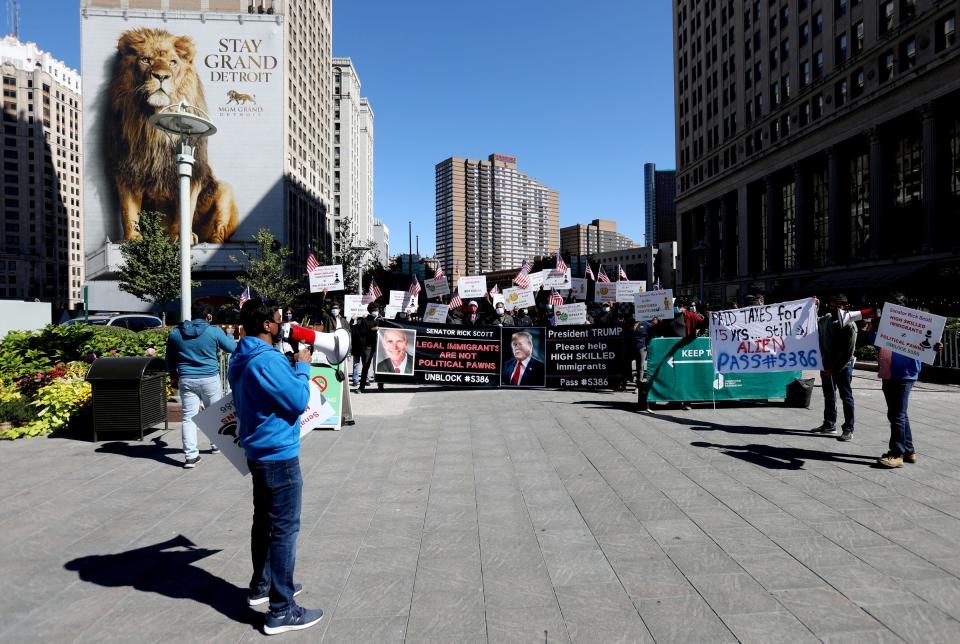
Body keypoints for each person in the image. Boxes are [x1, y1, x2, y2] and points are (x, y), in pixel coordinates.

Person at [227, 300, 323, 635]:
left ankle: (261, 586)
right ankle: (282, 610)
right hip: (277, 454)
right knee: (284, 529)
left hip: (258, 451)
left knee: (264, 522)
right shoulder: (266, 360)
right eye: (280, 320)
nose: (283, 324)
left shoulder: (241, 355)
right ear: (267, 325)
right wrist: (302, 367)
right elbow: (298, 400)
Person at [866, 293, 942, 468]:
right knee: (898, 414)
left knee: (897, 415)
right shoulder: (883, 324)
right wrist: (871, 331)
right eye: (887, 305)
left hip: (905, 374)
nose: (889, 309)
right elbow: (877, 344)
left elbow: (929, 345)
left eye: (893, 305)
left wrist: (937, 347)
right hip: (888, 371)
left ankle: (896, 454)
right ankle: (909, 450)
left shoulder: (916, 323)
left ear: (904, 307)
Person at [166, 302, 236, 468]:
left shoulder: (176, 332)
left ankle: (191, 457)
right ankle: (215, 444)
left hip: (187, 379)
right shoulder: (214, 331)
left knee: (188, 418)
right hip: (210, 378)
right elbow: (231, 348)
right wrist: (230, 334)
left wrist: (174, 376)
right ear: (208, 316)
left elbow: (169, 360)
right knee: (214, 413)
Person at [812, 294, 857, 441]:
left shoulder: (850, 324)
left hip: (842, 366)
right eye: (831, 305)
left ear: (845, 307)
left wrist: (835, 368)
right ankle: (829, 424)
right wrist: (815, 307)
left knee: (846, 396)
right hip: (826, 363)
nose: (834, 308)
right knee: (829, 394)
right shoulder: (827, 319)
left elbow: (848, 352)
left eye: (837, 306)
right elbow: (813, 322)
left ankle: (848, 429)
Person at [352, 302, 380, 393]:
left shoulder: (380, 320)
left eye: (377, 310)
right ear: (370, 311)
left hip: (379, 347)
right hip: (368, 347)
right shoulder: (365, 320)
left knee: (379, 367)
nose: (376, 311)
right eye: (374, 310)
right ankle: (361, 387)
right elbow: (361, 333)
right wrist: (372, 329)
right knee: (366, 367)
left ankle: (380, 385)